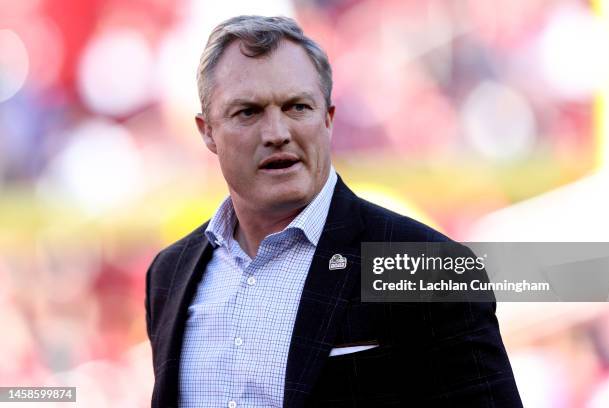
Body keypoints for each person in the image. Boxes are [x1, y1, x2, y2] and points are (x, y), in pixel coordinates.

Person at [145, 15, 522, 408]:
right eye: (248, 112)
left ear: (328, 118)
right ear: (207, 131)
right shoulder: (169, 274)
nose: (277, 132)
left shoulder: (424, 265)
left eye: (297, 107)